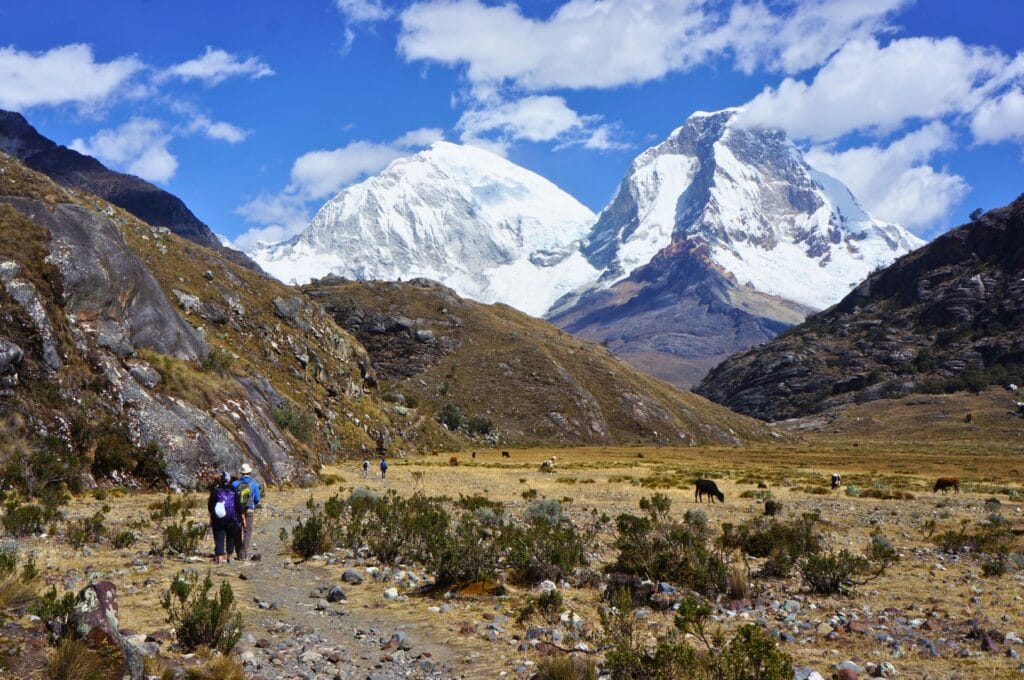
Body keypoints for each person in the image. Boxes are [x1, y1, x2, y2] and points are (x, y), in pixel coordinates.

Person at [208, 471, 244, 564]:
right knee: (230, 536)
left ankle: (219, 557)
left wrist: (212, 514)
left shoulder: (216, 491)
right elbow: (239, 506)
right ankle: (229, 556)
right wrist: (240, 516)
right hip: (232, 518)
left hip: (218, 518)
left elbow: (210, 505)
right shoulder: (234, 491)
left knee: (219, 536)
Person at [232, 463, 261, 560]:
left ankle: (238, 552)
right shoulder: (254, 484)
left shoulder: (235, 484)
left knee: (237, 531)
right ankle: (244, 554)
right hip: (249, 510)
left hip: (237, 511)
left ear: (241, 473)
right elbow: (257, 499)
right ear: (249, 472)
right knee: (248, 531)